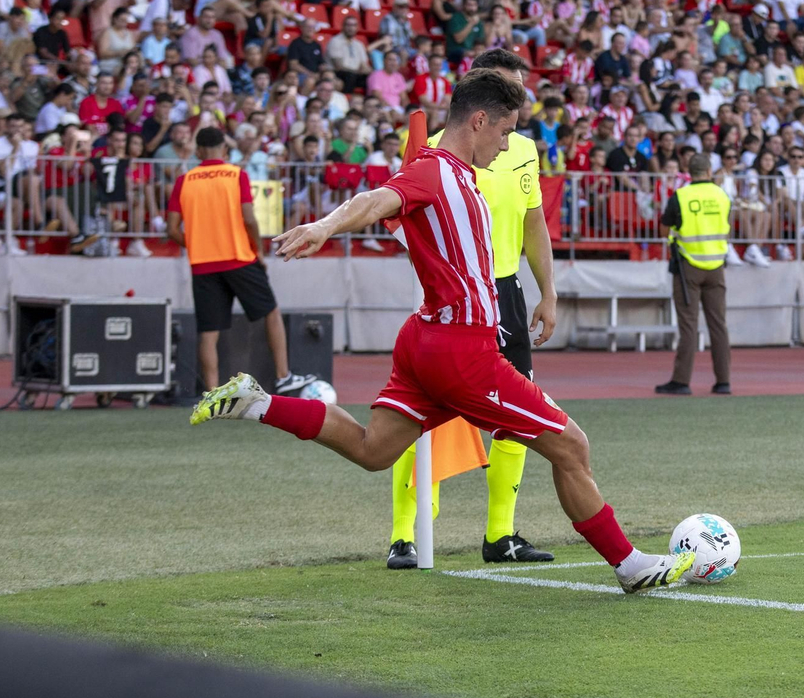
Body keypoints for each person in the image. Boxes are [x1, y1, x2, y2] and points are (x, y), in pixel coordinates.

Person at [191, 71, 692, 595]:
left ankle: (255, 403)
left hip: (427, 339)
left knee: (371, 450)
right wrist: (323, 227)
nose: (505, 146)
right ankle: (630, 565)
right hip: (462, 350)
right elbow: (374, 200)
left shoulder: (453, 172)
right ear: (479, 121)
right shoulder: (434, 172)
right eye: (503, 133)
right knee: (571, 446)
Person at [388, 49, 558, 569]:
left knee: (519, 412)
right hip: (452, 293)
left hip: (504, 291)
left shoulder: (524, 148)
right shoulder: (433, 147)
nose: (516, 102)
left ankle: (501, 534)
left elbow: (533, 223)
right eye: (506, 90)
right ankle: (406, 534)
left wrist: (547, 291)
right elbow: (402, 213)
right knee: (420, 416)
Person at [166, 126, 318, 392]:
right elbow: (248, 218)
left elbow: (171, 228)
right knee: (271, 312)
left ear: (199, 150)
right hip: (238, 258)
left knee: (209, 333)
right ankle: (283, 376)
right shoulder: (236, 175)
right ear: (225, 149)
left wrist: (196, 245)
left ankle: (212, 395)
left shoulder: (185, 179)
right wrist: (257, 250)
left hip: (203, 264)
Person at [655, 151, 733, 396]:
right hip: (717, 266)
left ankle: (681, 381)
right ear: (709, 172)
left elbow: (664, 228)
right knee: (718, 325)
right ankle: (723, 382)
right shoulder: (722, 195)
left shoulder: (681, 195)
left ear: (689, 172)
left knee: (688, 326)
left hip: (688, 265)